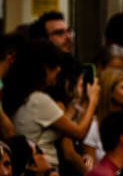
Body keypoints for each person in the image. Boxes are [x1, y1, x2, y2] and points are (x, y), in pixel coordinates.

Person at [6, 40, 100, 169]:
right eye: (53, 65)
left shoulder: (27, 97)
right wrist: (93, 101)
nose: (58, 69)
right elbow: (79, 133)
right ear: (42, 68)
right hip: (40, 170)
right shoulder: (38, 100)